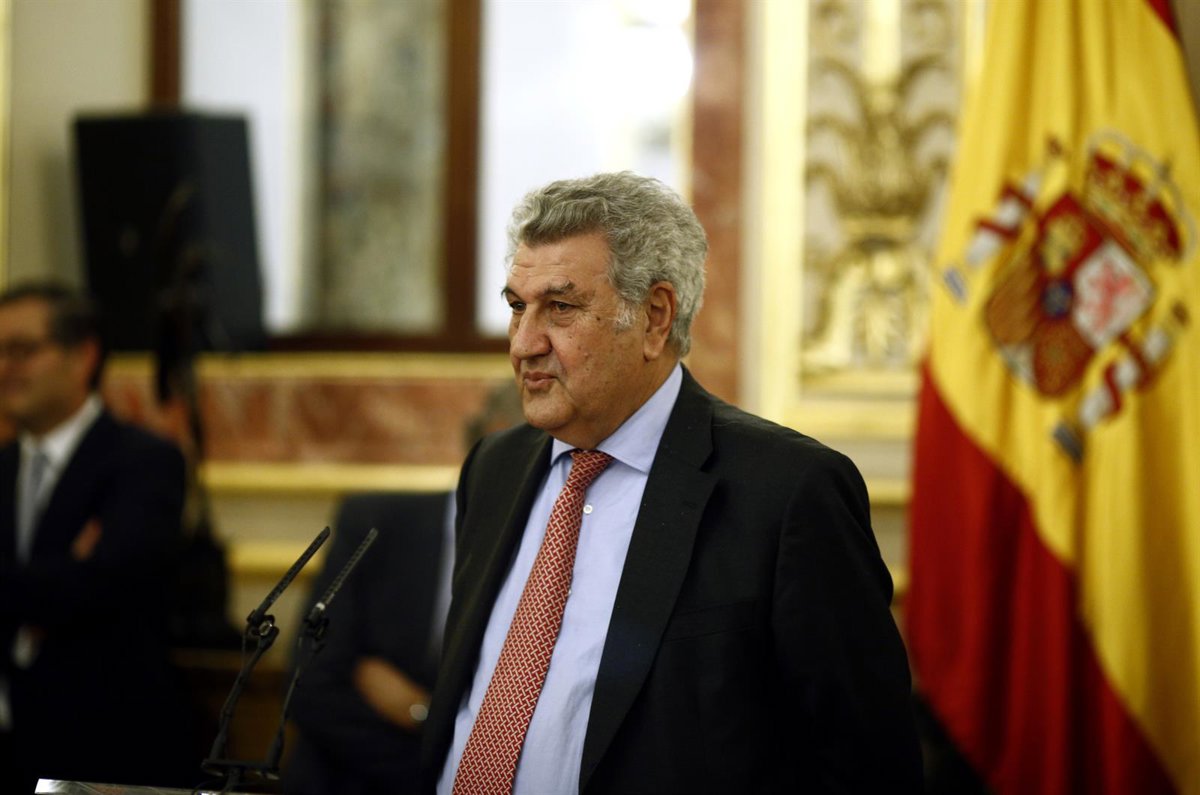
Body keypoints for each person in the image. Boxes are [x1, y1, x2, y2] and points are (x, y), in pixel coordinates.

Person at [422, 172, 924, 794]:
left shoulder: (787, 493)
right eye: (517, 307)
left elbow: (867, 763)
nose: (523, 344)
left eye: (561, 308)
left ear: (655, 317)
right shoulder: (493, 468)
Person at [284, 384, 524, 795]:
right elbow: (311, 682)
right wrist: (427, 757)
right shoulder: (374, 524)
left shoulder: (558, 551)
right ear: (497, 436)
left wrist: (423, 717)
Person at [0, 283, 193, 791]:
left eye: (22, 350)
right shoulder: (2, 466)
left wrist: (61, 581)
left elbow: (104, 585)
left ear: (82, 356)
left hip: (102, 749)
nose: (5, 368)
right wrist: (61, 573)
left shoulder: (144, 462)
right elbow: (67, 583)